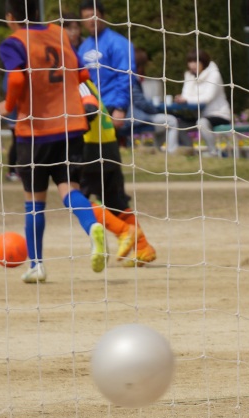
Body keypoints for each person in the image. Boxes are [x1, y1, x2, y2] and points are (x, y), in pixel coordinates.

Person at [0, 0, 108, 284]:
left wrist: (7, 106)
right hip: (71, 126)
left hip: (35, 131)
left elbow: (17, 80)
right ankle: (92, 226)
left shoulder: (13, 42)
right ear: (38, 12)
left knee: (34, 201)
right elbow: (82, 74)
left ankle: (37, 265)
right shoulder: (59, 33)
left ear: (10, 17)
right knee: (69, 189)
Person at [64, 19, 157, 265]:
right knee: (115, 201)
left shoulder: (75, 79)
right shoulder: (86, 79)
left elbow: (90, 108)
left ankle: (123, 232)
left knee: (77, 198)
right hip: (109, 145)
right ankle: (143, 248)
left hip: (91, 148)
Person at [77, 0, 134, 133]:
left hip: (111, 107)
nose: (91, 21)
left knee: (111, 145)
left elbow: (126, 76)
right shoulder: (83, 47)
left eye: (94, 16)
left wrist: (120, 108)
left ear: (103, 16)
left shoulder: (118, 43)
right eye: (86, 17)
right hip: (90, 107)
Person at [176, 49, 232, 157]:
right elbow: (185, 94)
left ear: (203, 62)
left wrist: (186, 99)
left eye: (196, 61)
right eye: (190, 62)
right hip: (200, 115)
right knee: (177, 125)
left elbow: (207, 97)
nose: (192, 65)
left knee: (202, 123)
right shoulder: (189, 75)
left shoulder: (214, 75)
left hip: (219, 114)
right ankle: (191, 153)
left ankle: (213, 153)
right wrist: (182, 99)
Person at [129, 47, 180, 154]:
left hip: (134, 115)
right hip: (136, 118)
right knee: (172, 121)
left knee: (164, 120)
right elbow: (140, 103)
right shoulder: (132, 79)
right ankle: (172, 152)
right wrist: (156, 110)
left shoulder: (126, 77)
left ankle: (157, 149)